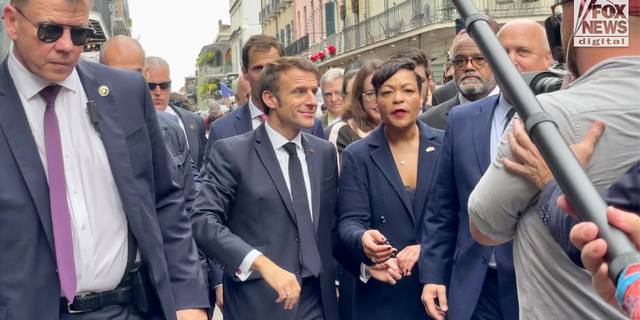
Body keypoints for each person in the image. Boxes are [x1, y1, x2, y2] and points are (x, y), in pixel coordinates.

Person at [0, 0, 209, 319]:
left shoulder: (125, 91)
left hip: (129, 308)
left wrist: (188, 300)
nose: (67, 46)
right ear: (12, 22)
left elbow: (165, 200)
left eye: (80, 33)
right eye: (50, 30)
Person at [467, 1, 639, 318]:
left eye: (563, 9)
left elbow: (484, 226)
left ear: (585, 14)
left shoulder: (550, 116)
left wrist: (552, 181)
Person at [420, 18, 553, 320]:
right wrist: (433, 275)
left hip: (540, 284)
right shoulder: (462, 119)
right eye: (501, 51)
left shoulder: (567, 119)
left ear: (548, 59)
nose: (510, 60)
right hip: (476, 287)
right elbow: (442, 208)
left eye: (522, 51)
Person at [191, 56, 338, 320]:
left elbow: (330, 226)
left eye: (313, 92)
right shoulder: (232, 152)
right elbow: (202, 221)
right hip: (260, 304)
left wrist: (365, 258)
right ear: (270, 99)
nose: (312, 101)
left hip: (320, 302)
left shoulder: (324, 151)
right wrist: (261, 264)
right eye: (299, 92)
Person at [337, 59, 444, 320]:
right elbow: (349, 221)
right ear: (375, 101)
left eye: (408, 90)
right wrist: (362, 239)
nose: (398, 99)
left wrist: (425, 248)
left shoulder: (447, 144)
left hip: (441, 288)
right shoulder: (357, 155)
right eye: (387, 92)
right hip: (385, 292)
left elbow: (464, 217)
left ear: (422, 96)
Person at [204, 35, 325, 164]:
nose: (266, 75)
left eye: (272, 68)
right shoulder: (222, 129)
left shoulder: (311, 125)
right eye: (259, 68)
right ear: (245, 73)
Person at [419, 34, 498, 130]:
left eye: (479, 59)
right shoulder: (428, 122)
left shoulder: (517, 112)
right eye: (460, 61)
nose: (469, 67)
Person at [146, 57, 207, 170]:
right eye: (151, 86)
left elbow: (204, 166)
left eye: (164, 85)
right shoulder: (131, 124)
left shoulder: (194, 122)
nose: (158, 92)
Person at [325, 60, 383, 165]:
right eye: (370, 93)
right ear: (359, 96)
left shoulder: (402, 130)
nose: (378, 100)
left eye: (386, 92)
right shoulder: (341, 132)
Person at [389, 48, 433, 112]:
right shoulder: (383, 118)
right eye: (405, 83)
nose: (414, 87)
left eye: (420, 81)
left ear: (429, 83)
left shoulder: (441, 119)